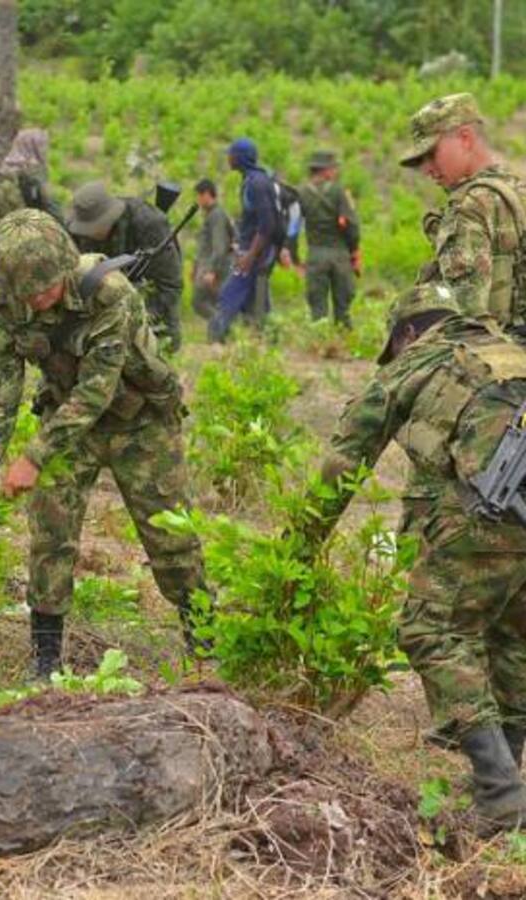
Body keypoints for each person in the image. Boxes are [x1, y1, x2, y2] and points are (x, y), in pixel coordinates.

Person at [298, 282, 526, 832]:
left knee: (431, 631)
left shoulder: (415, 363)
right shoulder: (510, 350)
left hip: (493, 506)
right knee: (511, 632)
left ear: (406, 333)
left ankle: (501, 792)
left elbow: (343, 460)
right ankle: (505, 771)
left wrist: (302, 545)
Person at [0, 209, 208, 677]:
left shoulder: (110, 295)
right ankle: (45, 659)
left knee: (169, 535)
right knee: (50, 532)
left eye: (47, 287)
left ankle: (205, 643)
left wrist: (33, 458)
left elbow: (96, 390)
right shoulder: (7, 318)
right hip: (67, 426)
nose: (39, 300)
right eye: (27, 294)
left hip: (141, 423)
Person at [401, 93, 526, 337]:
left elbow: (467, 317)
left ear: (465, 138)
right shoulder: (518, 190)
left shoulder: (468, 207)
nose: (427, 169)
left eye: (431, 153)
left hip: (499, 359)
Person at [66, 180, 184, 351]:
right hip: (103, 309)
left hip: (150, 303)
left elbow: (170, 285)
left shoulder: (148, 224)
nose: (90, 233)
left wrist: (138, 316)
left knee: (158, 356)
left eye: (95, 227)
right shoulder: (77, 227)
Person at [208, 138, 280, 343]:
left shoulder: (257, 184)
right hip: (253, 251)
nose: (228, 158)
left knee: (229, 296)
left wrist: (250, 256)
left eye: (230, 154)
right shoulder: (251, 180)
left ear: (240, 158)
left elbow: (267, 226)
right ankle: (268, 339)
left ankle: (216, 341)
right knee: (257, 301)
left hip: (255, 254)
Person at [296, 151, 360, 327]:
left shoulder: (301, 193)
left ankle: (320, 341)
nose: (335, 172)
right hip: (339, 254)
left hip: (315, 254)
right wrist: (354, 249)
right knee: (343, 307)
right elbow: (351, 224)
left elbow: (293, 225)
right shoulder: (339, 192)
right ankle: (344, 340)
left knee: (318, 306)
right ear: (326, 171)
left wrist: (293, 254)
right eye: (333, 168)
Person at [0, 128, 63, 241]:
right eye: (42, 146)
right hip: (27, 240)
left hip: (0, 239)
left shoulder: (1, 171)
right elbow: (52, 210)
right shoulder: (31, 174)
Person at [191, 179, 234, 321]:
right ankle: (222, 333)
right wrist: (196, 267)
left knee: (199, 301)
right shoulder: (210, 215)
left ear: (207, 194)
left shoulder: (217, 215)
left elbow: (219, 246)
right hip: (207, 267)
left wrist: (212, 270)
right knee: (214, 303)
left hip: (214, 268)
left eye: (199, 195)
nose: (198, 199)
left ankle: (223, 328)